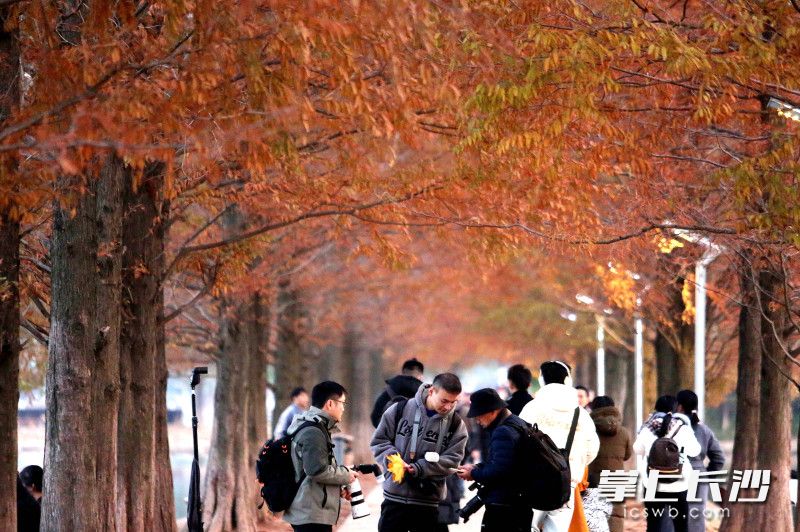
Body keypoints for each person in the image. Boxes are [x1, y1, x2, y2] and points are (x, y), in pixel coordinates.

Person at [371, 373, 469, 532]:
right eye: (444, 401)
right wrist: (394, 460)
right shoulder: (399, 409)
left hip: (428, 502)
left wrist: (420, 468)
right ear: (431, 391)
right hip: (394, 498)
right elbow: (379, 440)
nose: (448, 407)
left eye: (453, 402)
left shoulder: (456, 425)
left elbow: (453, 460)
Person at [519, 361, 599, 532]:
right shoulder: (581, 414)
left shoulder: (530, 409)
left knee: (529, 527)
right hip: (566, 483)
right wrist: (576, 465)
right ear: (566, 380)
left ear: (542, 380)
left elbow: (518, 443)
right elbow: (592, 449)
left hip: (534, 481)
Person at [282, 381, 358, 532]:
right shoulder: (313, 431)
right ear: (330, 404)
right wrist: (346, 475)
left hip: (311, 509)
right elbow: (317, 470)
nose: (343, 407)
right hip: (311, 512)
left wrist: (337, 487)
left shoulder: (316, 426)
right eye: (342, 403)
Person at [457, 388, 532, 532]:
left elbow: (499, 471)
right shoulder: (516, 423)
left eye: (479, 415)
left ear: (493, 411)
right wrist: (476, 468)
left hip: (505, 507)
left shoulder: (503, 431)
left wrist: (473, 474)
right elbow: (504, 462)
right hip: (518, 503)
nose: (477, 420)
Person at [633, 395, 701, 532]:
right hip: (678, 481)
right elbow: (695, 451)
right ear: (674, 410)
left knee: (653, 526)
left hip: (652, 482)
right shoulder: (682, 428)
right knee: (681, 525)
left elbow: (637, 449)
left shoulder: (647, 428)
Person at [676, 390, 725, 532]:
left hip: (675, 475)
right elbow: (719, 459)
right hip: (698, 477)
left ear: (679, 407)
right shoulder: (704, 430)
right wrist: (707, 474)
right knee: (696, 519)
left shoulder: (671, 428)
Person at [588, 396, 632, 532]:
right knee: (616, 516)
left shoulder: (589, 431)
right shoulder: (624, 432)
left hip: (593, 480)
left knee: (593, 517)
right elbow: (627, 455)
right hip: (616, 480)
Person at [370, 358, 425, 428]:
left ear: (403, 373)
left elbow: (375, 417)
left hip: (390, 435)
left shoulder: (390, 389)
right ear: (420, 376)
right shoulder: (424, 393)